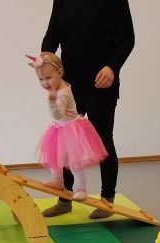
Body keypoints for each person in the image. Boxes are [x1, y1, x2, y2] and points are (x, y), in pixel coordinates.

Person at [40, 0, 134, 220]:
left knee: (102, 138)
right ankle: (66, 197)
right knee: (65, 138)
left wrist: (112, 68)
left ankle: (106, 199)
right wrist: (44, 64)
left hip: (101, 83)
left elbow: (127, 39)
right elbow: (51, 36)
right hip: (69, 85)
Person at [27, 52, 108, 202]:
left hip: (71, 129)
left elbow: (57, 114)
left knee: (74, 163)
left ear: (59, 72)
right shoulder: (57, 87)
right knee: (55, 157)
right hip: (59, 128)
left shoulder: (63, 93)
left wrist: (51, 101)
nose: (45, 83)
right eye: (41, 79)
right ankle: (57, 181)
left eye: (49, 78)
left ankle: (81, 190)